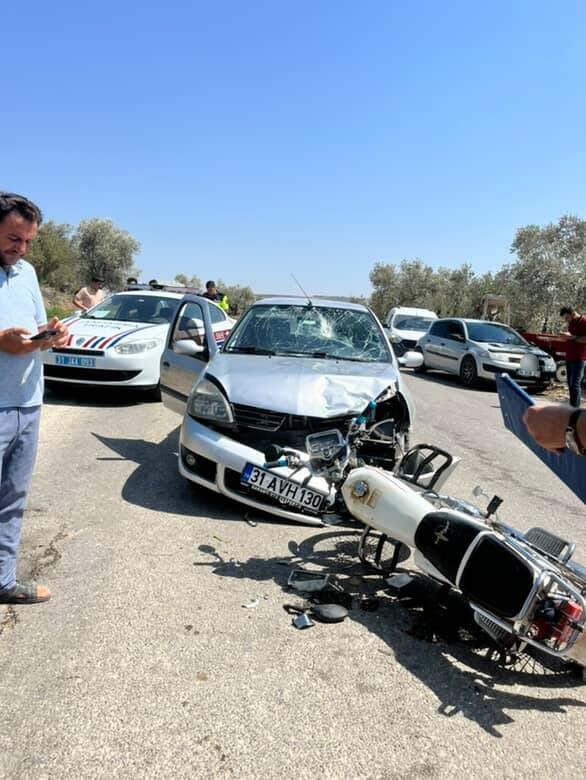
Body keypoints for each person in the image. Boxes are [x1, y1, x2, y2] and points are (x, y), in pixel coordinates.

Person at [0, 192, 69, 604]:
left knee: (12, 500)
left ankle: (3, 581)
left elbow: (33, 324)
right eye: (12, 238)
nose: (20, 249)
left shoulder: (26, 272)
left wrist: (52, 332)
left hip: (28, 402)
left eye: (27, 241)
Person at [559, 305, 586, 407]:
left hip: (579, 358)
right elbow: (572, 337)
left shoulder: (584, 321)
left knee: (575, 383)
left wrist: (571, 337)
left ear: (573, 313)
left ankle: (575, 409)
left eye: (567, 318)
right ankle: (572, 407)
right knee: (570, 384)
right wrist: (565, 336)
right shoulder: (572, 323)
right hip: (570, 357)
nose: (566, 321)